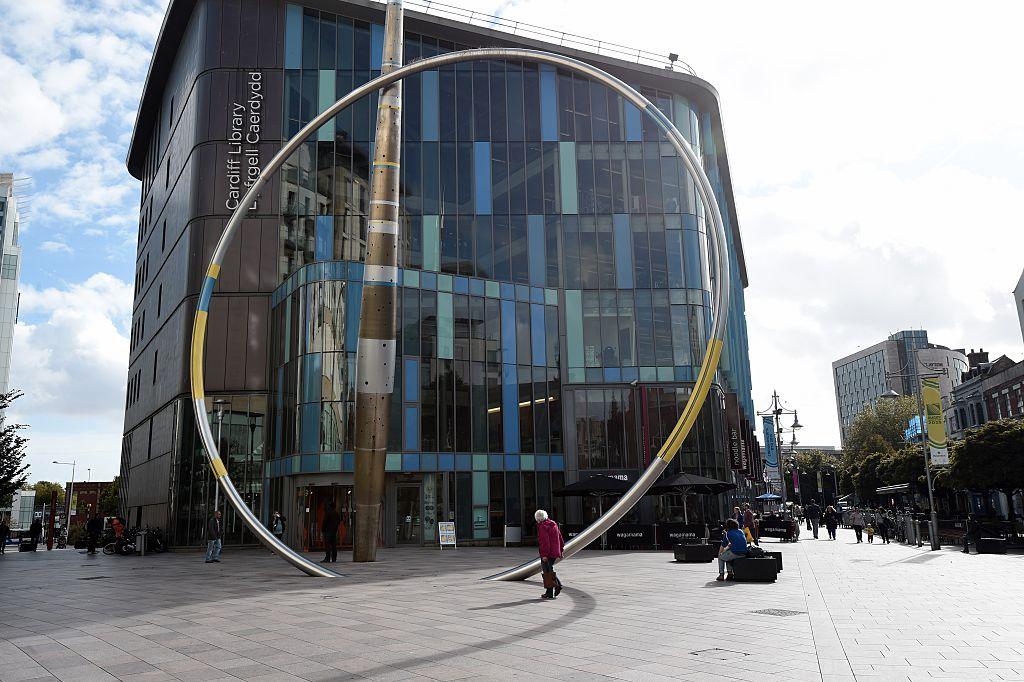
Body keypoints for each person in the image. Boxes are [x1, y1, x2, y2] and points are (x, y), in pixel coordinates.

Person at [536, 509, 564, 599]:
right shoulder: (553, 524)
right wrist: (561, 550)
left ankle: (557, 585)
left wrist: (544, 555)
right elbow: (560, 537)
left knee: (547, 572)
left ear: (538, 518)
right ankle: (549, 592)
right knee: (548, 571)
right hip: (554, 551)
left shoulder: (543, 527)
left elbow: (545, 542)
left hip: (548, 553)